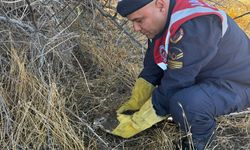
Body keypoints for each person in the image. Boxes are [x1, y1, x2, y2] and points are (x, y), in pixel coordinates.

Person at [100, 0, 250, 149]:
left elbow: (176, 82)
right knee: (171, 96)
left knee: (184, 103)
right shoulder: (163, 19)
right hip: (208, 74)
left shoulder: (196, 25)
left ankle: (200, 140)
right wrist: (136, 103)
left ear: (160, 4)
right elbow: (154, 64)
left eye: (139, 20)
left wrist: (138, 122)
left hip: (239, 84)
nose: (135, 28)